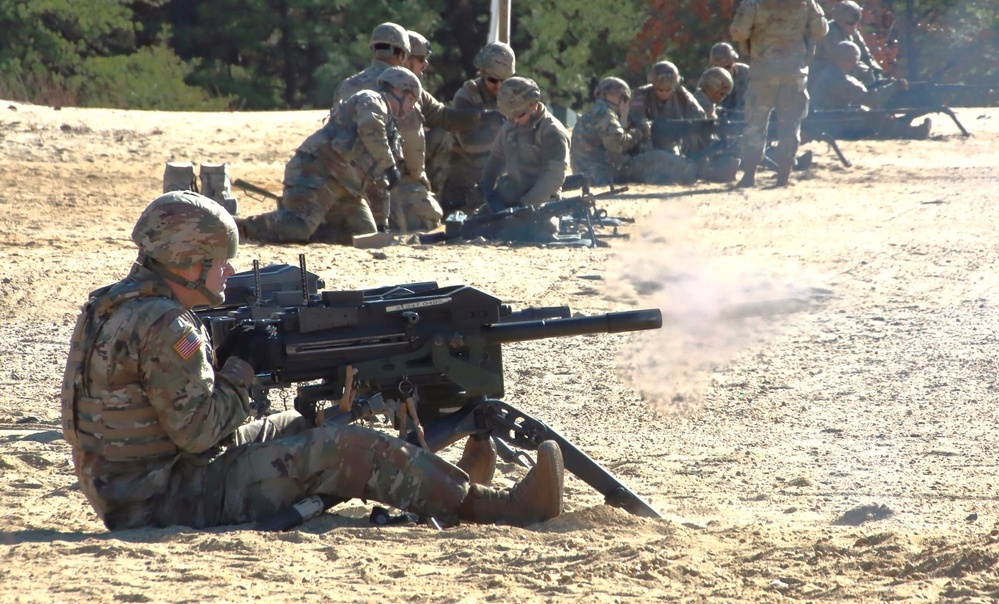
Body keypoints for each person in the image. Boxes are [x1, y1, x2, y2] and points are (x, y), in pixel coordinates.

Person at [61, 190, 566, 531]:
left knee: (305, 422)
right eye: (218, 261)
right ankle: (500, 508)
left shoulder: (110, 304)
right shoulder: (167, 326)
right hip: (162, 500)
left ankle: (438, 481)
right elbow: (199, 433)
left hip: (130, 485)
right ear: (187, 261)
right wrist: (241, 367)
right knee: (347, 447)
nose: (228, 271)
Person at [235, 67, 418, 245]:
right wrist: (389, 165)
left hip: (347, 190)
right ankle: (240, 228)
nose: (412, 107)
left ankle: (309, 228)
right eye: (410, 99)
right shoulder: (371, 99)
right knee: (298, 226)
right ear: (395, 90)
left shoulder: (391, 132)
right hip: (316, 171)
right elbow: (370, 128)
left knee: (361, 235)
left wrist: (381, 224)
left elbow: (380, 182)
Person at [730, 0, 828, 188]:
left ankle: (749, 176)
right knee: (790, 126)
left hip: (763, 74)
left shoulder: (754, 4)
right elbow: (821, 30)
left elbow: (739, 32)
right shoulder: (806, 3)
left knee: (756, 125)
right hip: (793, 74)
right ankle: (783, 177)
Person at [477, 77, 571, 242]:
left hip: (540, 200)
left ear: (533, 106)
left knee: (538, 233)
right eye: (509, 116)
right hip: (510, 194)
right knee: (478, 226)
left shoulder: (552, 132)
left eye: (518, 115)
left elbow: (554, 176)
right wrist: (485, 186)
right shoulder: (511, 125)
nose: (513, 121)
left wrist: (525, 206)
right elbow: (497, 158)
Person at [441, 42, 517, 215]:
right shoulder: (466, 96)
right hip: (465, 172)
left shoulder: (514, 94)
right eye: (492, 80)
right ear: (481, 73)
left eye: (504, 81)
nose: (498, 86)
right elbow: (468, 143)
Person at [809, 41, 930, 139]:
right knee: (869, 114)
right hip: (830, 123)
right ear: (851, 61)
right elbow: (870, 99)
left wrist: (884, 86)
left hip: (827, 118)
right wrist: (893, 87)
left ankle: (901, 127)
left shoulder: (831, 73)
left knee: (864, 112)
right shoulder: (839, 79)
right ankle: (913, 132)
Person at [627, 61, 703, 185]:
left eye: (668, 90)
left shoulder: (681, 94)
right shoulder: (641, 94)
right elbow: (637, 121)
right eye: (660, 90)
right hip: (644, 146)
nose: (664, 93)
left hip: (672, 144)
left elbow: (699, 117)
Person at [569, 77, 650, 186]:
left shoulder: (596, 111)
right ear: (617, 97)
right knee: (650, 160)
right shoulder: (604, 113)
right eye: (624, 99)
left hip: (586, 172)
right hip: (596, 175)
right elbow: (617, 144)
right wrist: (640, 132)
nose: (625, 104)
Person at [689, 67, 742, 182]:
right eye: (722, 94)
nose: (723, 97)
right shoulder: (703, 104)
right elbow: (710, 132)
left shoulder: (702, 100)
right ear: (713, 89)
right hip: (697, 153)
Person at [812, 1, 883, 85]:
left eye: (856, 23)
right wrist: (868, 73)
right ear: (839, 20)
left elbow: (866, 55)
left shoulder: (853, 32)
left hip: (844, 74)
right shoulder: (829, 33)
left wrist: (876, 70)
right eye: (850, 23)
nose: (854, 26)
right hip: (823, 78)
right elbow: (846, 61)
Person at [709, 42, 751, 113]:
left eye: (727, 67)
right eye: (719, 68)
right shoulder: (708, 80)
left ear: (734, 62)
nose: (724, 72)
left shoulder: (747, 73)